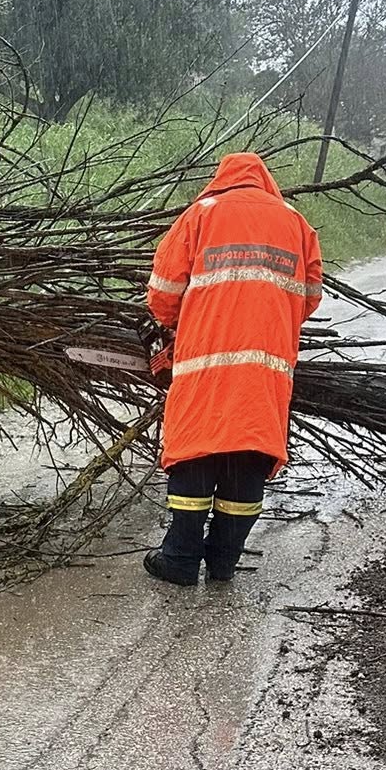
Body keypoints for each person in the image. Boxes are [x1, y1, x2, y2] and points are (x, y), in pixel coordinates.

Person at [143, 151, 323, 586]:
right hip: (266, 369)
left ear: (221, 179)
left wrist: (180, 323)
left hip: (203, 362)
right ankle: (223, 562)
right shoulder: (296, 223)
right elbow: (309, 298)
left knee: (195, 448)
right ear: (265, 181)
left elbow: (163, 294)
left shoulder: (200, 215)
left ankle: (180, 560)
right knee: (249, 449)